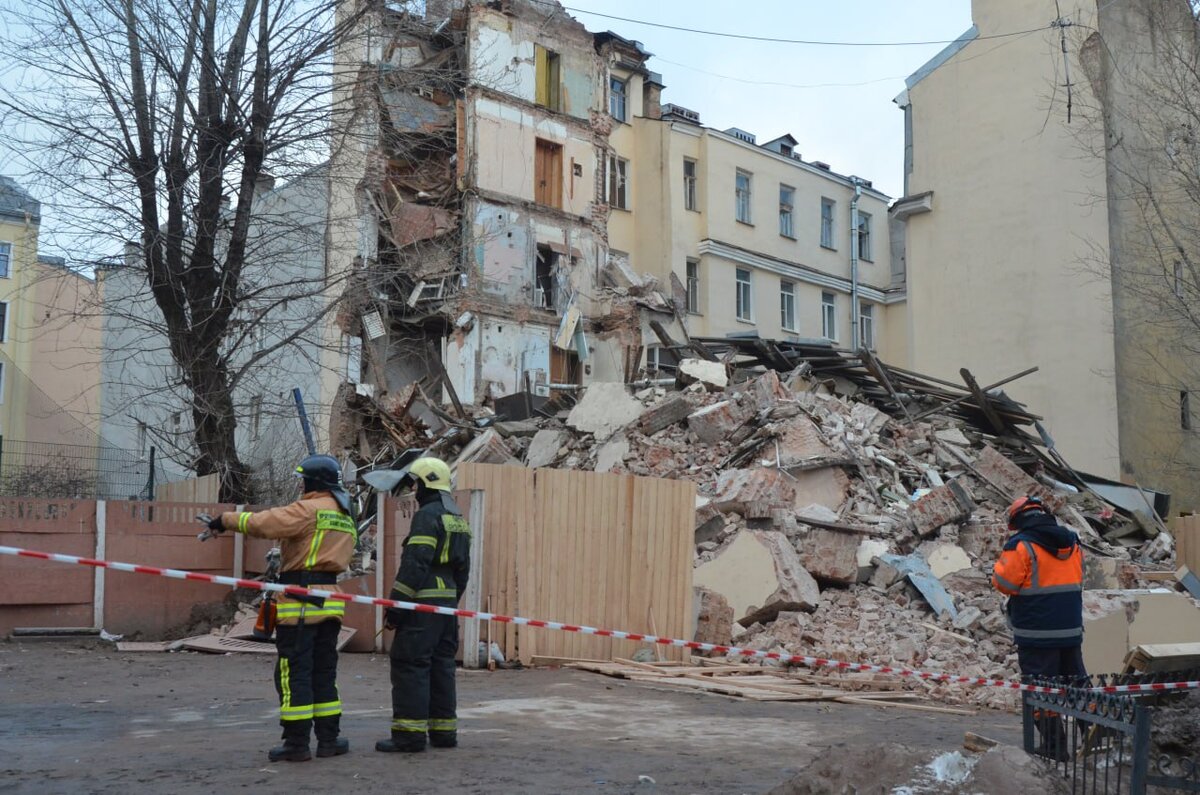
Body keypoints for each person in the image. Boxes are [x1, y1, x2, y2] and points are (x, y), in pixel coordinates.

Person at [207, 454, 357, 762]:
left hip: (300, 604)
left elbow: (264, 523)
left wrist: (224, 520)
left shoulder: (309, 509)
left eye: (303, 479)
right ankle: (329, 740)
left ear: (314, 481)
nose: (301, 484)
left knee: (293, 674)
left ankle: (296, 745)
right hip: (330, 603)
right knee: (324, 673)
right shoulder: (344, 513)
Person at [375, 456, 471, 754]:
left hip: (421, 605)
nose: (414, 489)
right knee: (442, 667)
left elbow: (415, 564)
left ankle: (409, 737)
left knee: (410, 665)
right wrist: (451, 603)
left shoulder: (427, 516)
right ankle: (444, 734)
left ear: (426, 483)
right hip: (446, 608)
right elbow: (463, 569)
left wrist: (397, 606)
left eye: (416, 483)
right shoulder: (458, 519)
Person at [991, 495, 1086, 758]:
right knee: (1076, 684)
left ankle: (1055, 746)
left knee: (1041, 689)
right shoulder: (1073, 542)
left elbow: (1004, 584)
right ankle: (1096, 738)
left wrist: (999, 565)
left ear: (1018, 521)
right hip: (1070, 630)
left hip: (1036, 633)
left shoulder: (1020, 546)